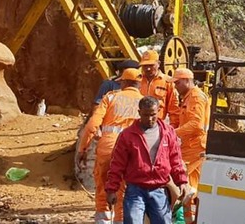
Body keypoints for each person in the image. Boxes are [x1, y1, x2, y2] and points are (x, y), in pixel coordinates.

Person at [106, 96, 189, 224]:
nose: (149, 119)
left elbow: (175, 159)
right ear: (139, 113)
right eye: (145, 115)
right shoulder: (127, 135)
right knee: (133, 221)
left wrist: (181, 182)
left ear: (158, 111)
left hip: (159, 189)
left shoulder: (168, 133)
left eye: (153, 115)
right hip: (135, 190)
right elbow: (117, 164)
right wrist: (112, 189)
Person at [78, 68, 143, 224]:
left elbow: (93, 124)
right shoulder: (146, 102)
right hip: (133, 150)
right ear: (138, 84)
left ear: (124, 82)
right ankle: (120, 220)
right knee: (125, 188)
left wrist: (83, 148)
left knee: (103, 185)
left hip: (108, 147)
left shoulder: (111, 98)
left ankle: (103, 218)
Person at [170, 68, 210, 222]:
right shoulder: (188, 97)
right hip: (190, 148)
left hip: (195, 149)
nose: (175, 86)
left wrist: (173, 133)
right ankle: (188, 220)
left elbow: (196, 125)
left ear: (187, 80)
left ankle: (189, 220)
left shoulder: (195, 97)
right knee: (188, 188)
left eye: (178, 82)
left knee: (187, 188)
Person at [138, 50, 181, 125]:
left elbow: (174, 110)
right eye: (145, 66)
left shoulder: (168, 82)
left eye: (151, 65)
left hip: (158, 126)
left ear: (158, 64)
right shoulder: (137, 80)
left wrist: (172, 129)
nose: (148, 69)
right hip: (138, 126)